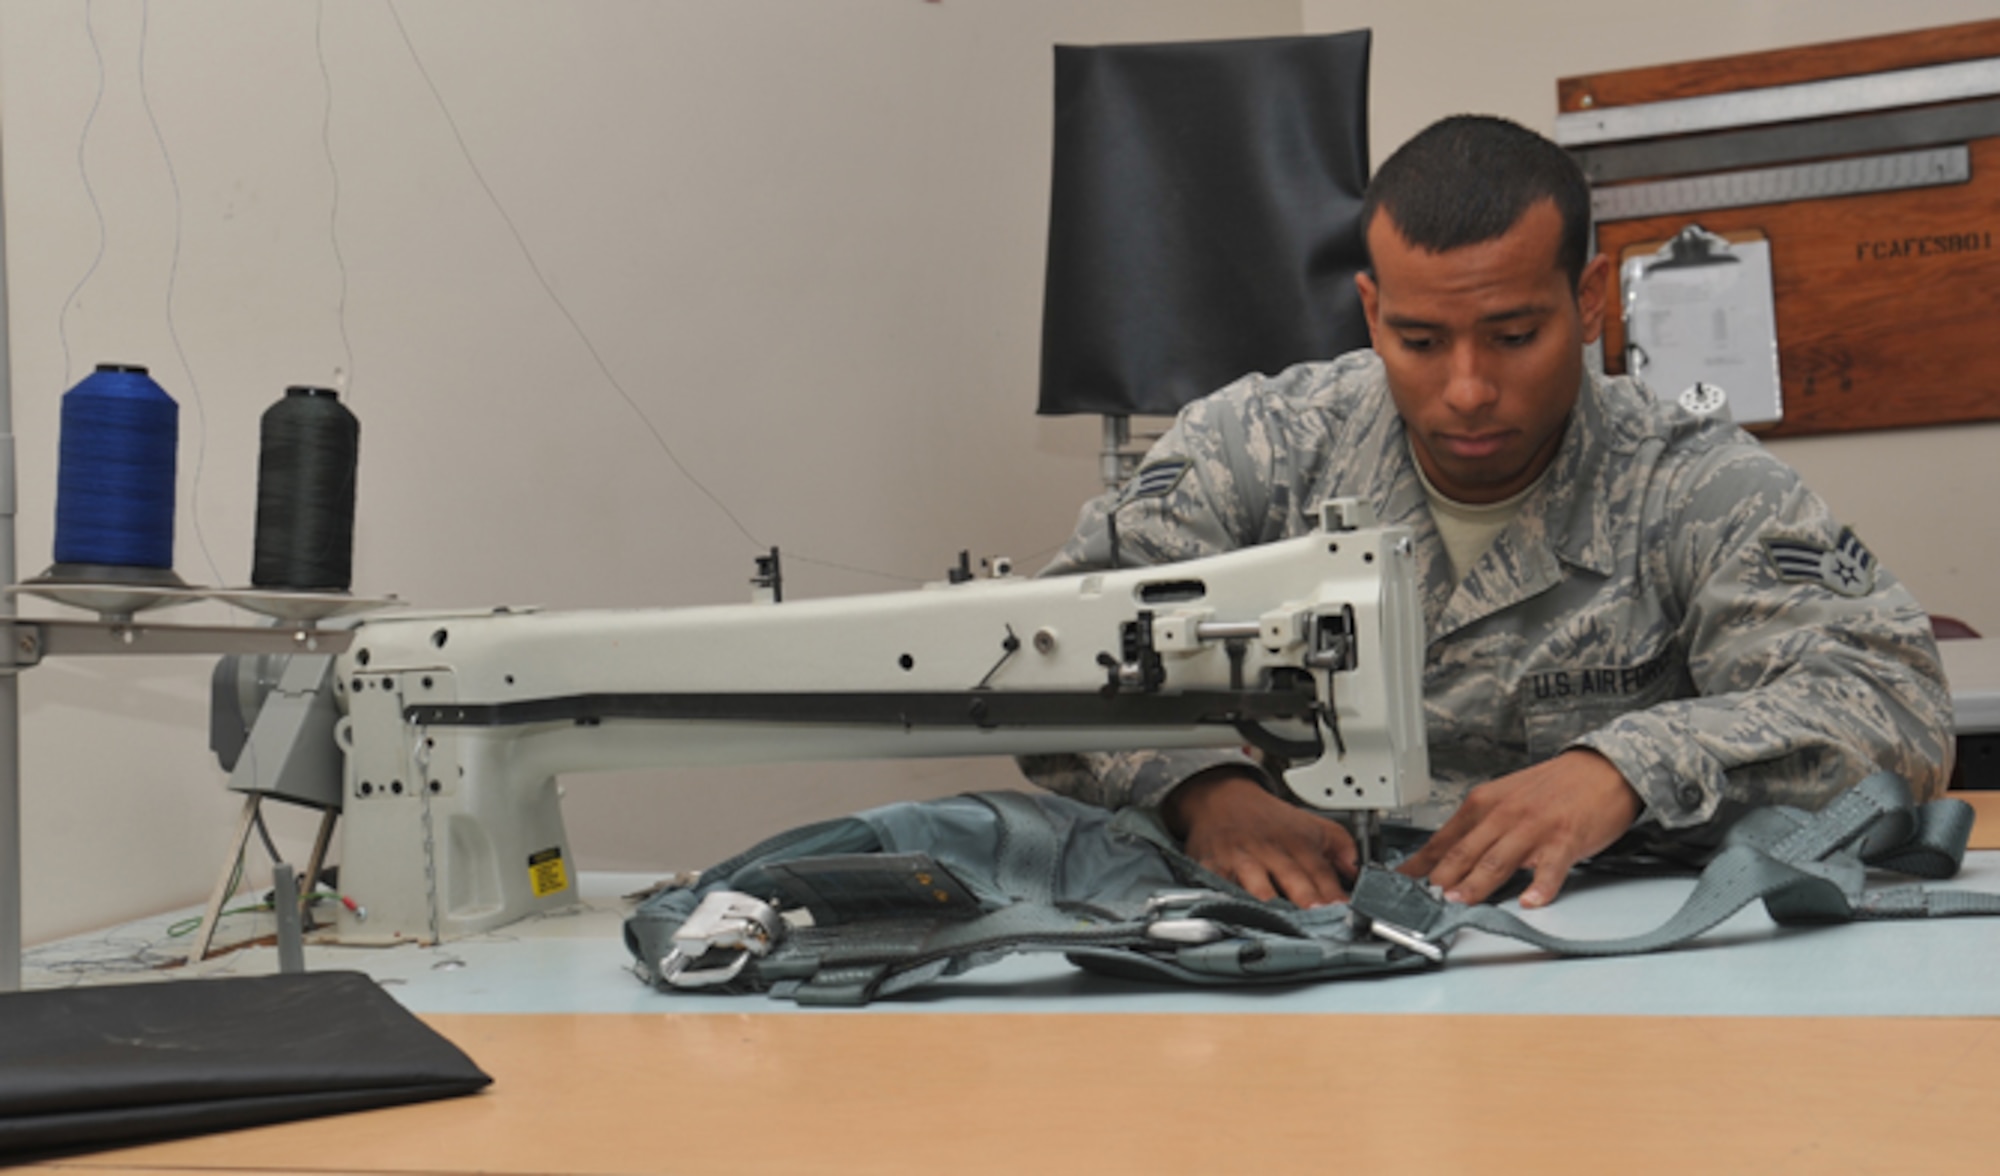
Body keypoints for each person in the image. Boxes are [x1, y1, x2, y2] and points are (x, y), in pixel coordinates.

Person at [1021, 114, 1953, 912]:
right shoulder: (1255, 451)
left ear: (1587, 303)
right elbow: (1036, 664)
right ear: (1370, 309)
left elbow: (1894, 710)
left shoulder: (1689, 485)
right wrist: (1202, 790)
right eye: (1419, 340)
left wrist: (1626, 768)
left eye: (1513, 337)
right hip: (1288, 960)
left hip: (1610, 963)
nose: (1466, 389)